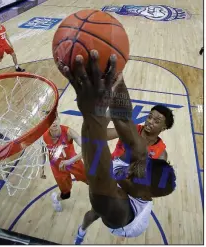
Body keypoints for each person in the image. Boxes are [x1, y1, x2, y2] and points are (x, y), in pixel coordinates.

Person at [58, 51, 176, 243]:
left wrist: (93, 113)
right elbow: (121, 118)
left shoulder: (120, 209)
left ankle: (80, 233)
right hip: (126, 173)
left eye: (157, 121)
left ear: (146, 194)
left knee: (96, 211)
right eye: (150, 116)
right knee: (132, 153)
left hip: (121, 222)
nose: (128, 171)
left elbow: (98, 169)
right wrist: (116, 78)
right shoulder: (140, 157)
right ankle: (82, 230)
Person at [42, 112, 88, 211]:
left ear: (59, 119)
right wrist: (42, 169)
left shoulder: (69, 132)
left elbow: (86, 150)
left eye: (55, 119)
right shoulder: (44, 136)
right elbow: (43, 151)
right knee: (66, 194)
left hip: (73, 161)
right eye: (50, 121)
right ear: (46, 124)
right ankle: (56, 198)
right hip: (57, 167)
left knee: (89, 181)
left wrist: (69, 161)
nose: (53, 122)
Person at [109, 104, 174, 161]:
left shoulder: (161, 155)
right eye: (149, 117)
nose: (150, 121)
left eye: (156, 121)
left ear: (163, 128)